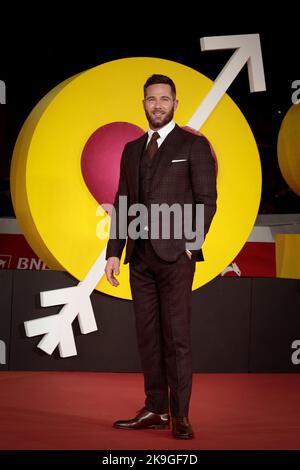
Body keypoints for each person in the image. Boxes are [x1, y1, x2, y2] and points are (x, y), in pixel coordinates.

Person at [105, 74, 217, 439]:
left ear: (175, 103)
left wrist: (190, 245)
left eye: (164, 99)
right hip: (139, 257)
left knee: (177, 338)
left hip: (175, 258)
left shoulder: (193, 145)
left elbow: (206, 202)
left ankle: (180, 415)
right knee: (148, 336)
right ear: (143, 104)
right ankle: (155, 408)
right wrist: (113, 253)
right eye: (151, 99)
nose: (157, 105)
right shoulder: (132, 149)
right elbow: (123, 202)